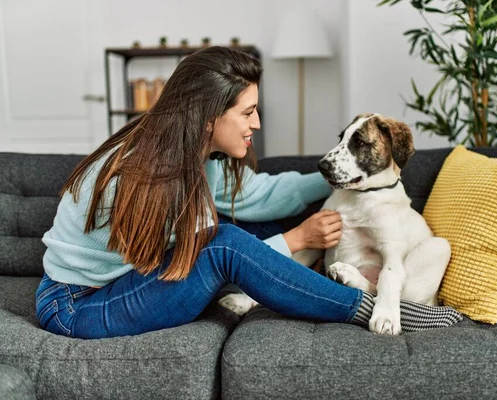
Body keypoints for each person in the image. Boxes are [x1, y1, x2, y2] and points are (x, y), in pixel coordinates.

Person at [35, 47, 460, 339]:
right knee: (228, 245)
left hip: (120, 284)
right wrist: (298, 240)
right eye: (247, 112)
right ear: (207, 116)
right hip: (76, 307)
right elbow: (209, 253)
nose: (256, 123)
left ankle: (343, 288)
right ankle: (375, 309)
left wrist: (353, 179)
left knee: (261, 226)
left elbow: (261, 195)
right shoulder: (144, 175)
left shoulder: (194, 158)